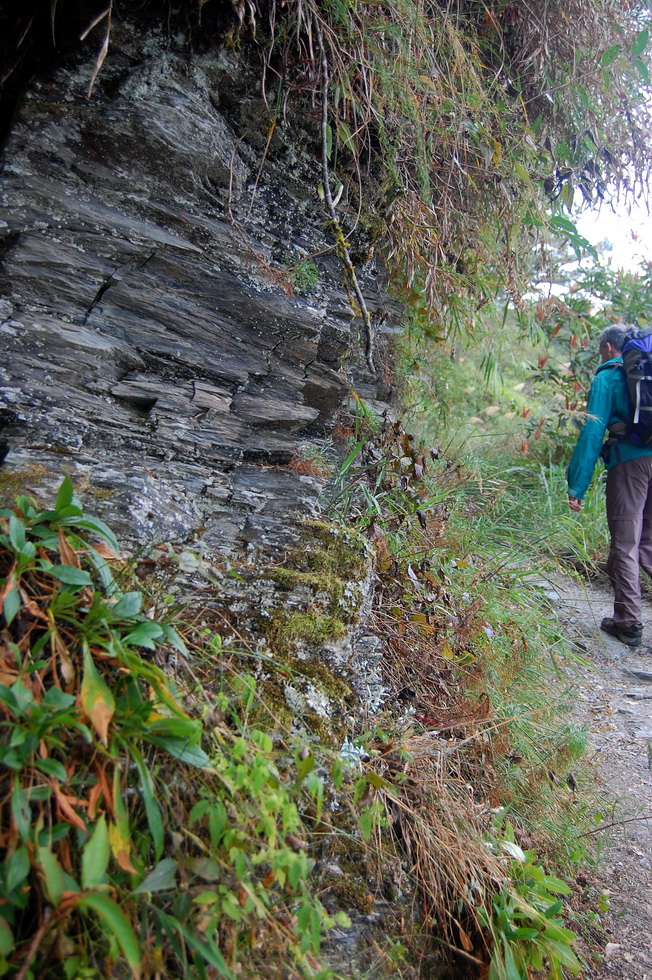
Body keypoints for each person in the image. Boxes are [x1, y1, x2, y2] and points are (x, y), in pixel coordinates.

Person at [567, 323, 652, 647]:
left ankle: (628, 623)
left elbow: (592, 434)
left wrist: (577, 485)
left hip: (630, 464)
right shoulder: (644, 373)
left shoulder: (607, 378)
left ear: (607, 347)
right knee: (648, 543)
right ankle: (626, 615)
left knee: (627, 543)